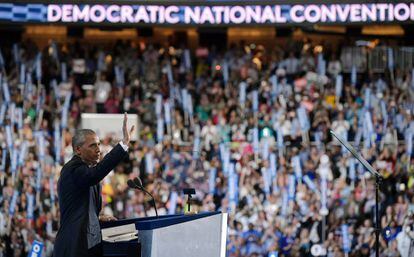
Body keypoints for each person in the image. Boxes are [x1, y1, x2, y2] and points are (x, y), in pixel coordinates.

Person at [52, 113, 135, 257]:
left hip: (89, 245)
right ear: (78, 150)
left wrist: (96, 218)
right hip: (75, 246)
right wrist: (123, 145)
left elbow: (82, 207)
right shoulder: (73, 169)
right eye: (92, 145)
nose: (98, 149)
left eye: (98, 144)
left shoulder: (86, 171)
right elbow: (94, 175)